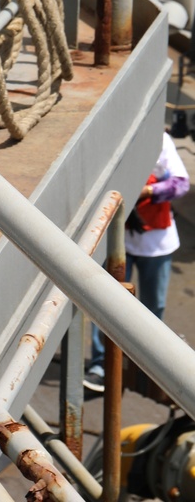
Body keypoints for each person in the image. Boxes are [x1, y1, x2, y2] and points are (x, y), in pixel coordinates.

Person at [84, 129, 189, 393]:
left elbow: (181, 183)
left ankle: (149, 364)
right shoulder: (111, 136)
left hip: (156, 241)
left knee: (154, 306)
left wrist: (146, 190)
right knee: (109, 304)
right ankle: (101, 364)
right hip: (119, 239)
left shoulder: (160, 140)